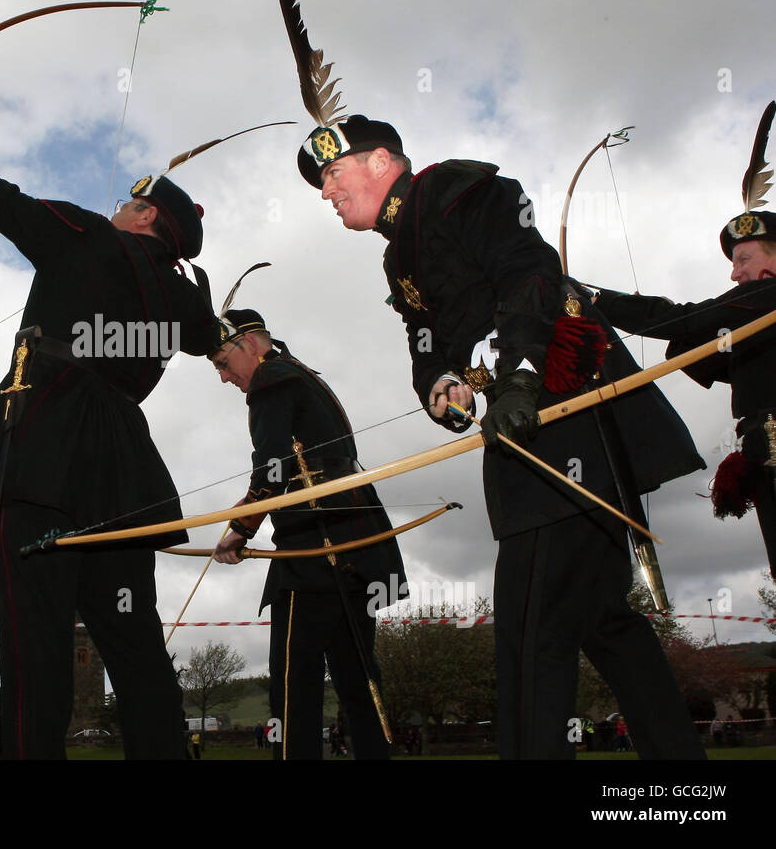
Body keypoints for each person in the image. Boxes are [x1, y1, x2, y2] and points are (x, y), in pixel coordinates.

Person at [295, 112, 706, 760]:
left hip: (560, 407)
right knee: (604, 619)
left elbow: (531, 272)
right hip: (523, 419)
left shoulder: (458, 187)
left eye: (333, 172)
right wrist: (440, 386)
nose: (325, 191)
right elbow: (426, 341)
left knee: (530, 622)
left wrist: (515, 375)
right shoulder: (397, 255)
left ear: (381, 162)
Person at [0, 101, 218, 760]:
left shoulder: (92, 235)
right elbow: (211, 332)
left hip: (46, 449)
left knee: (36, 665)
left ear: (146, 216)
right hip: (124, 474)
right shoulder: (178, 299)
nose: (119, 206)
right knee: (137, 652)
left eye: (130, 202)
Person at [212, 311, 406, 760]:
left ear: (251, 346)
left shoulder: (271, 378)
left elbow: (273, 466)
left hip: (312, 549)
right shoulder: (300, 373)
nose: (223, 377)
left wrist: (239, 531)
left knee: (293, 683)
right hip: (358, 544)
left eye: (223, 361)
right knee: (358, 676)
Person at [594, 147, 776, 577]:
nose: (735, 274)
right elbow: (687, 345)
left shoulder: (767, 297)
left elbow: (683, 319)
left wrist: (598, 301)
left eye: (744, 259)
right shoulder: (755, 319)